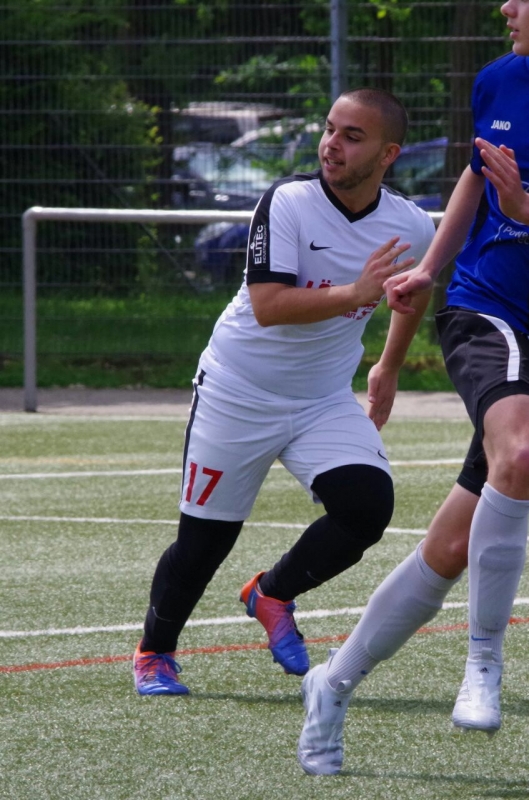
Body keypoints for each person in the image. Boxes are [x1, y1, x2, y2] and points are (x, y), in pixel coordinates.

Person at [132, 87, 436, 696]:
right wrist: (356, 293)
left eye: (353, 136)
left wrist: (389, 365)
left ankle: (271, 593)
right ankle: (154, 653)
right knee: (205, 541)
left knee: (367, 508)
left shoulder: (410, 224)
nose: (332, 145)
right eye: (330, 129)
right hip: (238, 390)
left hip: (323, 397)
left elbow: (414, 289)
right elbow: (270, 306)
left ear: (389, 154)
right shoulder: (288, 202)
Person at [297, 0, 529, 776]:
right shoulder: (499, 79)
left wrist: (527, 208)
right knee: (519, 455)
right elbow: (475, 176)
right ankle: (483, 660)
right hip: (490, 308)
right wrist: (430, 268)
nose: (505, 7)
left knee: (455, 543)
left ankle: (333, 682)